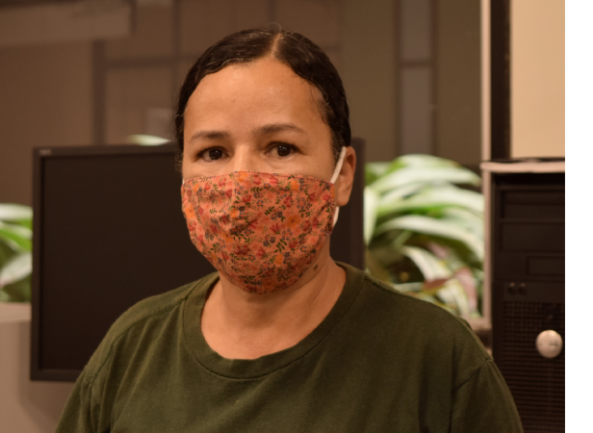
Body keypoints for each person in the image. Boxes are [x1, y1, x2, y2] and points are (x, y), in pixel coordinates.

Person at [55, 26, 523, 432]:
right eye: (213, 153)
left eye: (280, 148)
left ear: (342, 175)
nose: (242, 181)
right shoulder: (133, 346)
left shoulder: (436, 357)